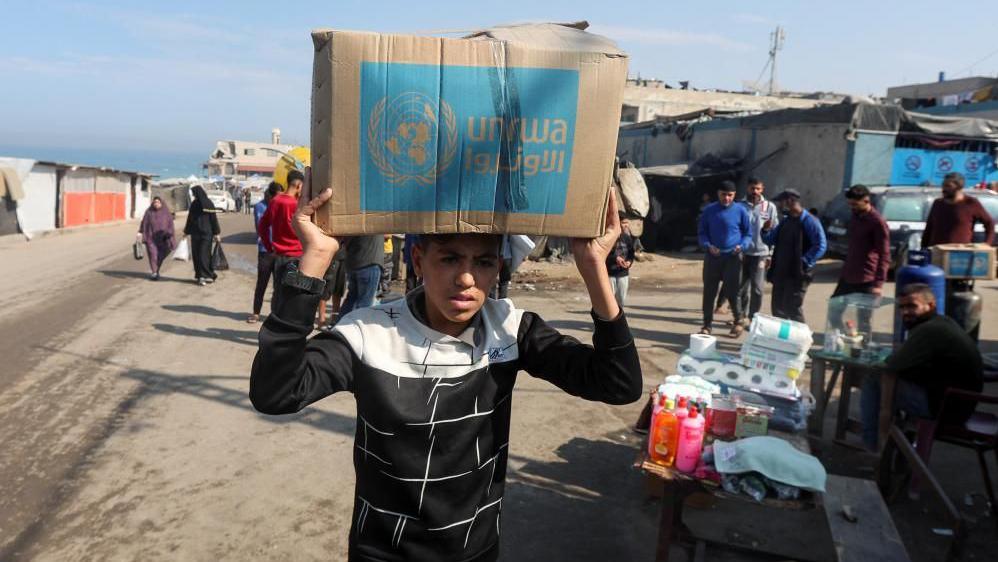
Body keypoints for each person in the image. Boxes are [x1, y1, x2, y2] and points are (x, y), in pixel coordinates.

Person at [249, 182, 642, 561]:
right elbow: (276, 393)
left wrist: (593, 268)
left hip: (476, 550)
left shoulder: (511, 330)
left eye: (483, 262)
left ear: (498, 269)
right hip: (382, 552)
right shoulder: (368, 333)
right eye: (450, 258)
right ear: (418, 261)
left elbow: (619, 384)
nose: (467, 279)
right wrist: (314, 259)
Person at [860, 283, 983, 451]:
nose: (905, 312)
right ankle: (895, 444)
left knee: (874, 378)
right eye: (901, 307)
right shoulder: (941, 322)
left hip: (947, 409)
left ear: (930, 305)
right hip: (959, 404)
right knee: (892, 380)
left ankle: (873, 446)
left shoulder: (929, 330)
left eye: (911, 306)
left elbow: (891, 366)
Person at [763, 189, 826, 323]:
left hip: (797, 274)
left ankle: (801, 341)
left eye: (781, 202)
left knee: (792, 308)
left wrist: (804, 262)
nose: (779, 205)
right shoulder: (786, 221)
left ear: (790, 201)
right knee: (778, 309)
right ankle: (783, 340)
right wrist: (765, 230)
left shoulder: (809, 220)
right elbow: (770, 240)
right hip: (781, 272)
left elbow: (820, 245)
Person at [697, 180, 751, 337]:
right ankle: (707, 325)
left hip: (733, 258)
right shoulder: (709, 211)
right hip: (713, 258)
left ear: (734, 195)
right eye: (723, 194)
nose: (726, 198)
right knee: (709, 293)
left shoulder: (740, 211)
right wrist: (707, 245)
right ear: (718, 193)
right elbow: (702, 233)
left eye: (730, 195)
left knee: (733, 292)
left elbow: (747, 234)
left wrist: (742, 245)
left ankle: (738, 322)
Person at [258, 170, 305, 313]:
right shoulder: (297, 205)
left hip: (278, 255)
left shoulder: (275, 201)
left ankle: (274, 325)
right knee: (293, 295)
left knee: (278, 292)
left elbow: (262, 226)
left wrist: (269, 246)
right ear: (298, 184)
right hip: (296, 256)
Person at [834, 184, 889, 298]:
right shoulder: (856, 215)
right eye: (849, 204)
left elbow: (884, 254)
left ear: (866, 200)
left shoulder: (877, 222)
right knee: (835, 309)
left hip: (866, 278)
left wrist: (878, 284)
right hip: (848, 275)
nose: (852, 207)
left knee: (863, 314)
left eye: (855, 204)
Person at [738, 177, 778, 322]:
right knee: (741, 287)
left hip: (761, 254)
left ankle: (753, 317)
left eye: (758, 189)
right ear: (747, 188)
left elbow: (774, 232)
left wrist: (771, 254)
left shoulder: (769, 207)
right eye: (752, 188)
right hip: (742, 253)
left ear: (762, 189)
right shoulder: (739, 206)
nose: (755, 191)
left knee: (758, 289)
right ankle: (740, 316)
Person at [922, 172, 995, 247]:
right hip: (937, 252)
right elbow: (928, 229)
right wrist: (923, 248)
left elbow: (989, 223)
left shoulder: (971, 203)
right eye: (943, 185)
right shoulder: (938, 203)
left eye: (948, 186)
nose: (944, 189)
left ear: (959, 187)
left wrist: (987, 244)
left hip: (960, 254)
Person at [249, 182, 281, 323]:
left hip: (280, 251)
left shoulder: (281, 207)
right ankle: (256, 312)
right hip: (265, 251)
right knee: (261, 283)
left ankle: (275, 314)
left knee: (278, 286)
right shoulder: (259, 207)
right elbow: (260, 227)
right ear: (271, 195)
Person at [183, 185, 221, 286]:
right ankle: (200, 276)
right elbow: (190, 219)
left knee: (204, 255)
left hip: (207, 234)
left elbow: (213, 219)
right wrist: (186, 232)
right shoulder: (194, 204)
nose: (194, 195)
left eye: (195, 193)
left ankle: (206, 275)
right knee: (196, 255)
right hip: (195, 234)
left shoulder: (208, 203)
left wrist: (217, 233)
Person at [341, 235, 385, 317]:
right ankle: (356, 326)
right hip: (369, 263)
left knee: (351, 299)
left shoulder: (351, 224)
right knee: (364, 304)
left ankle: (340, 324)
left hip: (354, 263)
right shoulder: (372, 223)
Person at [606, 218, 636, 308]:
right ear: (618, 223)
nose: (626, 225)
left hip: (623, 273)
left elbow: (631, 254)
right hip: (610, 273)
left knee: (621, 300)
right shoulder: (608, 236)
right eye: (623, 223)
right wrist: (615, 258)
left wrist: (629, 262)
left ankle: (618, 319)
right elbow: (603, 254)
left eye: (627, 223)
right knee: (609, 300)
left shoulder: (627, 238)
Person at [318, 246, 348, 330]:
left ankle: (334, 318)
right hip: (331, 255)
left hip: (344, 255)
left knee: (339, 289)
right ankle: (321, 319)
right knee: (326, 289)